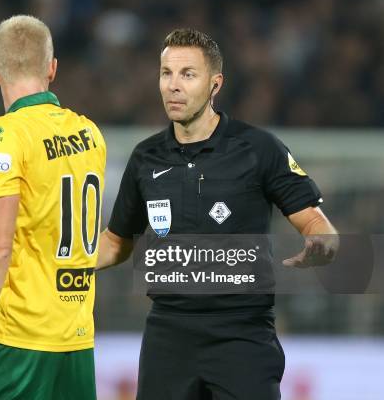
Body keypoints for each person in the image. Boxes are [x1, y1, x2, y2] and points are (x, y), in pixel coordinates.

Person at [96, 28, 338, 399]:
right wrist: (61, 260)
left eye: (187, 74)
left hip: (242, 336)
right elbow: (116, 242)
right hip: (168, 336)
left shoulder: (258, 149)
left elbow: (314, 222)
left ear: (215, 84)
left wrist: (322, 243)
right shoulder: (146, 158)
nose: (173, 86)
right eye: (166, 73)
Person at [0, 15, 106, 400]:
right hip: (77, 341)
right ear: (52, 68)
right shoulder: (90, 133)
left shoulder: (4, 135)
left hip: (16, 341)